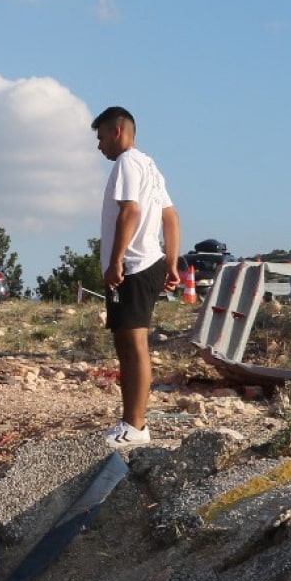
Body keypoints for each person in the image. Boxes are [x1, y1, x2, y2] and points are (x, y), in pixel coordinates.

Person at [92, 106, 180, 449]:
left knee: (131, 347)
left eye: (100, 138)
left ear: (117, 131)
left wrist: (116, 261)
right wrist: (171, 263)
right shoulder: (150, 166)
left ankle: (135, 426)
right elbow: (170, 218)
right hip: (150, 262)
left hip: (133, 265)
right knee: (132, 345)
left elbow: (130, 211)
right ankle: (132, 423)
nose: (99, 147)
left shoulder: (127, 162)